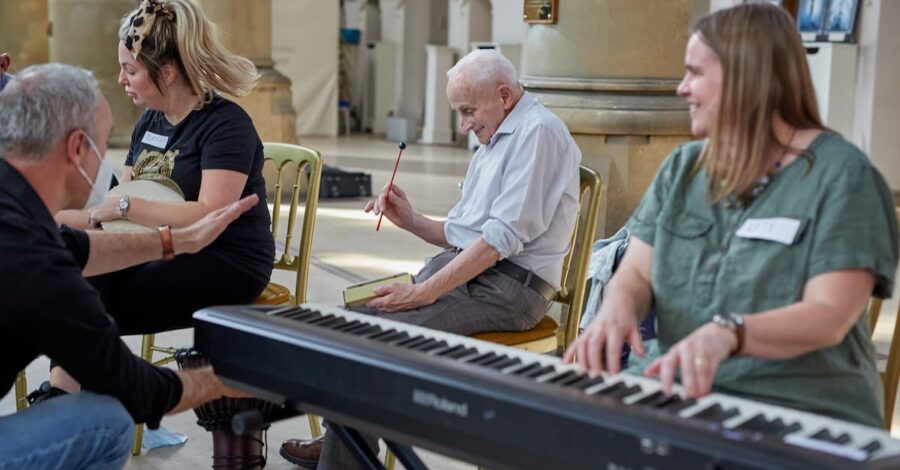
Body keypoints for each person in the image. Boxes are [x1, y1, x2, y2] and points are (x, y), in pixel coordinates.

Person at [566, 3, 898, 428]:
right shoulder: (684, 168)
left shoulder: (844, 175)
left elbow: (829, 315)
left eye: (695, 73)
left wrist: (729, 331)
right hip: (677, 391)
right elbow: (637, 274)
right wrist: (618, 306)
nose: (682, 88)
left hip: (799, 410)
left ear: (747, 76)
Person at [280, 49, 582, 469]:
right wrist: (410, 220)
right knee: (350, 322)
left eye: (468, 110)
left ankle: (345, 450)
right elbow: (462, 235)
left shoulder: (538, 133)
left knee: (374, 341)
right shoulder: (494, 139)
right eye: (458, 112)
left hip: (509, 289)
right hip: (476, 274)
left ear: (505, 95)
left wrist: (423, 292)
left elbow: (500, 241)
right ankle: (346, 438)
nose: (464, 125)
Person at [0, 63, 260, 470]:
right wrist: (234, 377)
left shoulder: (18, 217)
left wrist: (174, 240)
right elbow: (136, 390)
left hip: (217, 260)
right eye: (104, 145)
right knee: (107, 422)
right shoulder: (37, 264)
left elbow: (76, 245)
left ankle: (58, 395)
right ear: (77, 148)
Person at [46, 0, 274, 394]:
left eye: (130, 70)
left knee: (86, 290)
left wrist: (126, 206)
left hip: (227, 261)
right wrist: (49, 221)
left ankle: (68, 398)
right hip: (163, 247)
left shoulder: (226, 125)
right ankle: (68, 397)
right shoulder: (150, 122)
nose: (120, 79)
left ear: (166, 73)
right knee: (79, 262)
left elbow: (209, 216)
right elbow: (115, 216)